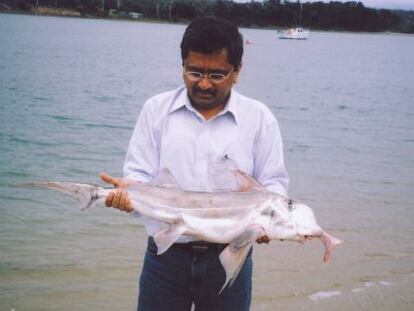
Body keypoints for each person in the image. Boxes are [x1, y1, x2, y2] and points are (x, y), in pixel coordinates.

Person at [100, 16, 289, 311]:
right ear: (183, 66)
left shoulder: (259, 119)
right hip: (165, 258)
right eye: (194, 72)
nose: (203, 83)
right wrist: (130, 196)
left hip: (231, 255)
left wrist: (265, 224)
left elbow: (274, 186)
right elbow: (138, 176)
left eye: (216, 75)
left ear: (237, 71)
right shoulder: (156, 110)